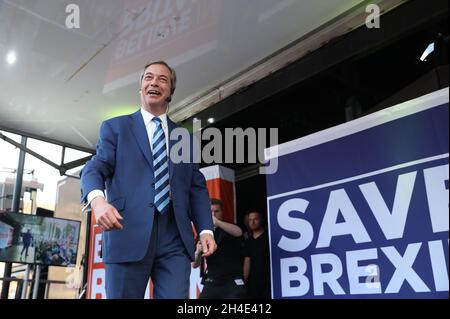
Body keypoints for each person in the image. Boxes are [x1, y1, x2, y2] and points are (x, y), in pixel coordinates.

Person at [80, 61, 217, 299]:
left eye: (162, 79)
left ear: (170, 92)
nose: (154, 82)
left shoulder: (185, 137)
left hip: (174, 239)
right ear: (141, 88)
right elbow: (95, 168)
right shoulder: (116, 128)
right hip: (127, 231)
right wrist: (97, 201)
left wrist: (206, 229)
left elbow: (196, 188)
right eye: (148, 78)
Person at [192, 198, 247, 299]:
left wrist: (218, 223)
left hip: (232, 281)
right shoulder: (203, 234)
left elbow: (239, 232)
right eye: (210, 211)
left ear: (222, 212)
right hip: (212, 281)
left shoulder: (228, 227)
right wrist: (197, 252)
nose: (213, 214)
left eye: (216, 211)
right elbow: (195, 264)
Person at [243, 210, 271, 299]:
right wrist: (244, 280)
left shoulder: (269, 237)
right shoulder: (248, 242)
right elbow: (247, 262)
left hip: (269, 280)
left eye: (255, 219)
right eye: (250, 220)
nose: (252, 222)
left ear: (261, 220)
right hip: (253, 283)